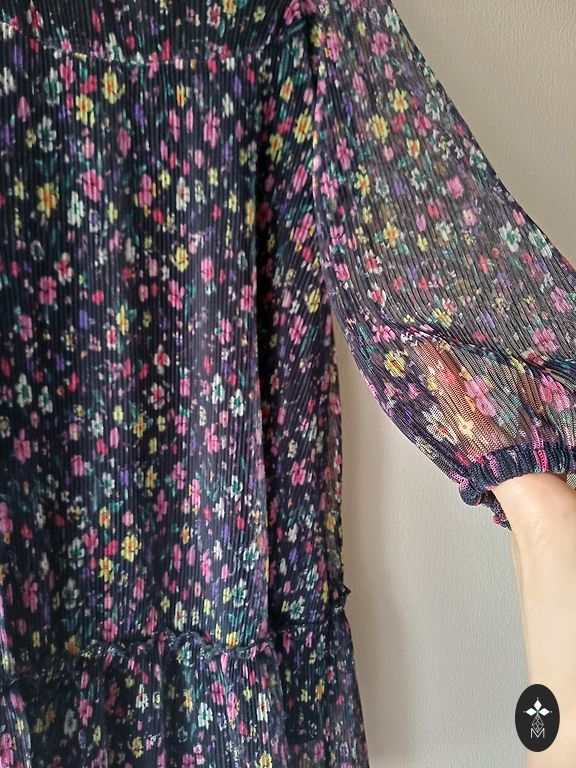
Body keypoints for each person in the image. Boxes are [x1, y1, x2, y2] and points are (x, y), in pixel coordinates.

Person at [0, 0, 574, 766]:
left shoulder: (303, 24)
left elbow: (459, 314)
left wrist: (539, 504)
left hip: (216, 632)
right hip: (221, 621)